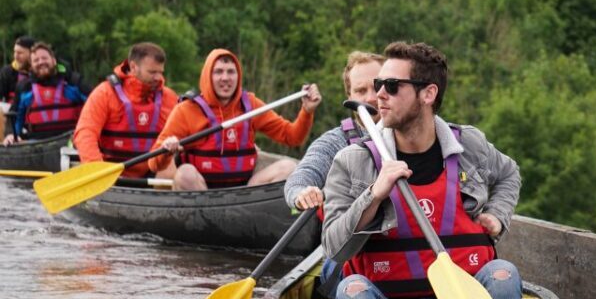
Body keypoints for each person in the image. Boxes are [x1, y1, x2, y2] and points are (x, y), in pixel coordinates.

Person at [322, 42, 522, 299]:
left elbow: (509, 173)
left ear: (428, 93)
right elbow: (334, 248)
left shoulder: (469, 145)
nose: (379, 94)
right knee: (352, 293)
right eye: (379, 84)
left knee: (504, 275)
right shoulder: (353, 160)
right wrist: (374, 195)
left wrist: (498, 215)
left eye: (391, 85)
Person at [148, 48, 321, 190]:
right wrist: (166, 150)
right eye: (218, 72)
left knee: (289, 168)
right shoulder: (186, 110)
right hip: (202, 192)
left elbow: (292, 137)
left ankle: (252, 218)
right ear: (208, 76)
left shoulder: (250, 105)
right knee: (185, 173)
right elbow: (154, 164)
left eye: (231, 72)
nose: (225, 78)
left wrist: (307, 111)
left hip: (244, 193)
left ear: (238, 76)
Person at [284, 50, 385, 210]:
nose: (370, 98)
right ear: (349, 97)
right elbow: (302, 177)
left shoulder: (410, 134)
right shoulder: (335, 142)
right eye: (361, 91)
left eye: (377, 87)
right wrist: (302, 193)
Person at [73, 42, 178, 179]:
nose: (158, 78)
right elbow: (85, 133)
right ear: (134, 67)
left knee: (170, 165)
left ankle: (165, 199)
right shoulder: (104, 93)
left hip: (153, 172)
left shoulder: (169, 97)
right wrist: (96, 171)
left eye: (160, 72)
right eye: (152, 72)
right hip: (110, 172)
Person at [4, 42, 91, 145]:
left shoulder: (73, 81)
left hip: (71, 141)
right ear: (31, 66)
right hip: (37, 144)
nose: (41, 62)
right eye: (36, 60)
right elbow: (15, 118)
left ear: (54, 61)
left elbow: (95, 107)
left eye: (44, 58)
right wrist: (11, 135)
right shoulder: (24, 87)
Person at [0, 36, 35, 136]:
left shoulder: (40, 71)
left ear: (31, 53)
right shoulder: (6, 72)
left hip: (32, 112)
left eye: (20, 53)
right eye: (14, 52)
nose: (15, 56)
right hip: (12, 113)